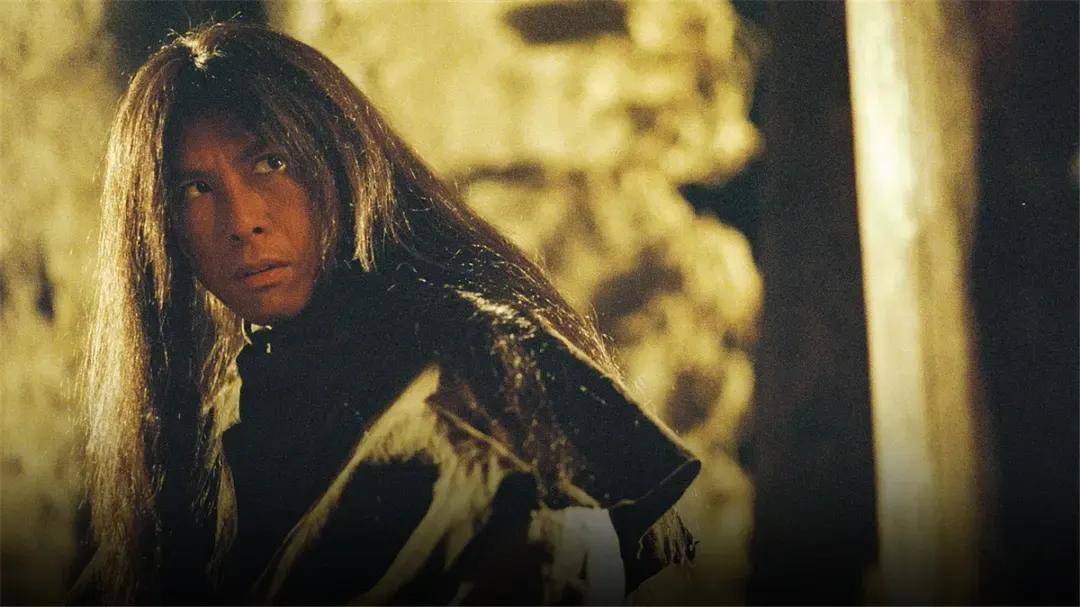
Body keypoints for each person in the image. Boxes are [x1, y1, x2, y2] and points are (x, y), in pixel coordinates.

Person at [75, 20, 699, 605]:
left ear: (339, 162)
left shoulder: (478, 361)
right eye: (195, 189)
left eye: (270, 163)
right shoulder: (202, 444)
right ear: (163, 230)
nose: (243, 221)